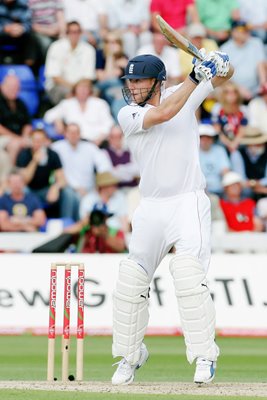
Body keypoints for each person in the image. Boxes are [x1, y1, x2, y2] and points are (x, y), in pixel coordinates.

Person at [111, 52, 234, 386]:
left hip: (187, 200)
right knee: (132, 279)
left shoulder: (187, 89)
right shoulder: (128, 113)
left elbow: (226, 75)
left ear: (157, 81)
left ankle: (205, 355)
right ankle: (129, 356)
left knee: (188, 275)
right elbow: (165, 112)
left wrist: (219, 63)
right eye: (130, 81)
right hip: (150, 206)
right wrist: (197, 76)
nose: (133, 87)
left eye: (139, 81)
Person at [52, 123, 112, 221]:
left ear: (80, 134)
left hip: (90, 189)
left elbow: (104, 165)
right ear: (65, 134)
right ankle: (67, 226)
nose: (73, 135)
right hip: (68, 188)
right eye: (70, 132)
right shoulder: (57, 147)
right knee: (70, 195)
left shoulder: (89, 147)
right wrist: (76, 189)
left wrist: (100, 184)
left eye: (76, 132)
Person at [44, 78, 114, 146]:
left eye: (85, 88)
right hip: (74, 142)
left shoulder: (100, 103)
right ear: (75, 90)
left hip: (97, 141)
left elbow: (109, 124)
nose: (83, 91)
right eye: (80, 88)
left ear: (90, 90)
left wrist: (100, 138)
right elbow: (48, 115)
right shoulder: (67, 103)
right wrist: (57, 120)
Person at [44, 21, 96, 105]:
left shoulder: (89, 49)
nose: (75, 35)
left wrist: (79, 89)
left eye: (77, 32)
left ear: (81, 33)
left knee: (96, 94)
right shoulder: (56, 47)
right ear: (67, 33)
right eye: (72, 32)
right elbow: (55, 77)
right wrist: (75, 89)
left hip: (82, 86)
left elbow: (88, 77)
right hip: (58, 86)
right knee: (69, 95)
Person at [199, 123, 230, 197]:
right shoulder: (193, 152)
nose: (205, 140)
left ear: (213, 139)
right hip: (200, 190)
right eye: (202, 137)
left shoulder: (220, 150)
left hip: (219, 189)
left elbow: (225, 171)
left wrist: (225, 185)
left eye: (208, 137)